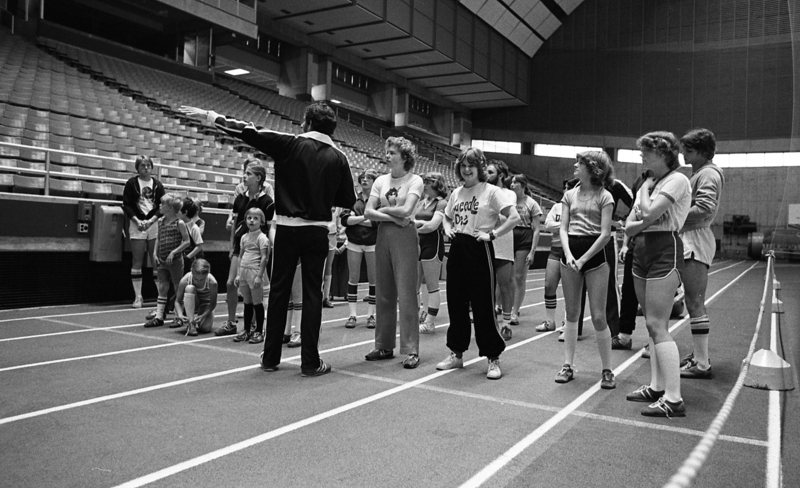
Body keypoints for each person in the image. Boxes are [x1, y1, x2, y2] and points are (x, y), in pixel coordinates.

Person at [180, 102, 356, 378]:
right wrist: (321, 195)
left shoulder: (291, 144)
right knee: (312, 295)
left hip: (285, 229)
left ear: (308, 123)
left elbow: (249, 132)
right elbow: (348, 200)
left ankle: (270, 357)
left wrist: (212, 116)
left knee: (278, 292)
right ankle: (310, 362)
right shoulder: (339, 157)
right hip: (317, 232)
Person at [435, 147, 520, 380]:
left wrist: (492, 235)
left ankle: (493, 357)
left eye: (471, 165)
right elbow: (447, 217)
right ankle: (457, 353)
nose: (466, 169)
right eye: (462, 165)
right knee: (456, 303)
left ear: (480, 167)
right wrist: (448, 229)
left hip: (479, 246)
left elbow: (514, 217)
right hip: (458, 249)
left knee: (483, 305)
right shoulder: (456, 193)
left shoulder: (491, 191)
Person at [624, 131, 691, 418]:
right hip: (641, 251)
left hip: (665, 249)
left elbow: (647, 215)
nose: (641, 156)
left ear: (663, 153)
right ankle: (656, 385)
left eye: (646, 152)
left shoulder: (676, 180)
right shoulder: (653, 182)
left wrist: (644, 189)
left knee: (657, 323)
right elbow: (628, 224)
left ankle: (673, 399)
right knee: (650, 324)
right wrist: (637, 221)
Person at [554, 151, 616, 390]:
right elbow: (563, 228)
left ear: (592, 168)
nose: (574, 166)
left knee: (598, 315)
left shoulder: (605, 196)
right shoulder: (569, 195)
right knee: (571, 313)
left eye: (578, 163)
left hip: (596, 256)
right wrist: (569, 255)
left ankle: (607, 370)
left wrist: (583, 259)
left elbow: (605, 234)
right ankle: (568, 365)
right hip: (570, 253)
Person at [363, 137, 424, 369]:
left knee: (407, 294)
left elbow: (408, 210)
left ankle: (411, 350)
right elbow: (369, 212)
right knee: (384, 292)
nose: (387, 155)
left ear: (404, 157)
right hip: (385, 235)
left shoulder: (415, 180)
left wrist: (384, 209)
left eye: (392, 152)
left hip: (406, 237)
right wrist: (393, 216)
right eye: (387, 152)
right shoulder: (380, 180)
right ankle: (383, 345)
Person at [678, 128, 724, 379]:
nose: (683, 153)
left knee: (695, 301)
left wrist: (671, 214)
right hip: (691, 237)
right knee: (690, 300)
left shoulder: (707, 174)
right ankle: (699, 355)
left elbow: (705, 208)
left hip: (695, 239)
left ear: (702, 151)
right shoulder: (700, 173)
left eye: (689, 149)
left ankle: (703, 364)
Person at [216, 164, 275, 338]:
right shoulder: (240, 198)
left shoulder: (267, 202)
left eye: (248, 174)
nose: (244, 176)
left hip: (257, 250)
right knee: (231, 283)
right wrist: (231, 245)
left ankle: (255, 327)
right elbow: (235, 223)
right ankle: (231, 322)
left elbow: (270, 227)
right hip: (240, 246)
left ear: (258, 178)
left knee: (255, 289)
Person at [122, 155, 165, 308]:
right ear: (137, 168)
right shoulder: (131, 184)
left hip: (153, 224)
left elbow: (162, 207)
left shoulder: (158, 185)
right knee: (137, 261)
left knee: (156, 261)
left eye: (148, 165)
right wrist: (137, 221)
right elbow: (126, 205)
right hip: (137, 224)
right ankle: (138, 297)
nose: (146, 168)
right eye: (142, 166)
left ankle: (162, 298)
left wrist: (151, 221)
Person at [614, 171, 650, 349]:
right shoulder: (640, 180)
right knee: (629, 290)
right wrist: (626, 245)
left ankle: (655, 340)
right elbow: (632, 215)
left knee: (652, 295)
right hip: (635, 243)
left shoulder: (670, 181)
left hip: (655, 244)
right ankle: (624, 335)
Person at [144, 193, 190, 328]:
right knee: (162, 287)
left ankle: (178, 316)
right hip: (162, 260)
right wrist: (154, 252)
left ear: (170, 208)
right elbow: (159, 238)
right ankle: (159, 316)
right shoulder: (160, 221)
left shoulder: (179, 223)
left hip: (175, 261)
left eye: (162, 204)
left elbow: (186, 241)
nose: (159, 206)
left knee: (177, 287)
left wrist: (174, 252)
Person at [536, 179, 576, 332]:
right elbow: (547, 225)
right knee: (549, 286)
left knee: (569, 290)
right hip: (555, 250)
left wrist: (560, 227)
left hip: (572, 251)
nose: (565, 191)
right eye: (564, 188)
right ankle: (550, 321)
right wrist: (566, 225)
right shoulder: (557, 207)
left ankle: (568, 323)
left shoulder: (578, 207)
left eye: (569, 188)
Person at [341, 169, 379, 329]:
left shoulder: (378, 200)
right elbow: (345, 221)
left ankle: (371, 315)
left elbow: (376, 222)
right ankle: (352, 315)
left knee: (373, 280)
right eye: (362, 178)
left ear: (374, 181)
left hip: (372, 243)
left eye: (369, 178)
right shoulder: (351, 198)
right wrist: (365, 217)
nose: (365, 180)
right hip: (354, 242)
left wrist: (355, 219)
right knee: (353, 278)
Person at [486, 160, 516, 341]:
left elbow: (505, 215)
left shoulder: (509, 194)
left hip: (503, 241)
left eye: (490, 172)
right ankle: (490, 323)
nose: (486, 174)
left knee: (505, 285)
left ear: (501, 176)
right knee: (485, 287)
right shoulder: (482, 191)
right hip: (484, 242)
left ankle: (505, 323)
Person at [415, 172, 447, 334]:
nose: (424, 185)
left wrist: (416, 223)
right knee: (417, 283)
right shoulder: (421, 202)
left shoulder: (441, 203)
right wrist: (419, 223)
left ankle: (430, 322)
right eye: (423, 182)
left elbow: (432, 226)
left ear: (436, 184)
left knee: (432, 284)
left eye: (428, 182)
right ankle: (419, 314)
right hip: (418, 243)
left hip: (433, 244)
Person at [508, 174, 542, 326]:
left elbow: (536, 229)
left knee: (519, 276)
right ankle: (500, 307)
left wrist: (532, 251)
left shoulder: (532, 204)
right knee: (505, 276)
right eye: (511, 182)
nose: (512, 184)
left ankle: (515, 311)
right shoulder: (508, 200)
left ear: (522, 185)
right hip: (509, 235)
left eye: (515, 182)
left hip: (524, 237)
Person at [233, 208, 271, 344]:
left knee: (257, 303)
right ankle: (246, 330)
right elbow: (240, 255)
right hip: (244, 271)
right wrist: (238, 274)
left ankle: (259, 330)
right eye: (249, 218)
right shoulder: (244, 237)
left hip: (255, 272)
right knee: (247, 303)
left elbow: (264, 258)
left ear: (262, 222)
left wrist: (259, 276)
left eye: (255, 218)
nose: (252, 220)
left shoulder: (262, 238)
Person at [173, 259, 218, 336]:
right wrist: (180, 314)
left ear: (208, 274)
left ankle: (197, 319)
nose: (199, 281)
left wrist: (203, 315)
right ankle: (191, 323)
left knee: (205, 328)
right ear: (191, 271)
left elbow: (213, 304)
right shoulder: (185, 279)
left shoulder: (212, 282)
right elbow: (177, 301)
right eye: (196, 278)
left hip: (205, 305)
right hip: (191, 303)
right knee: (190, 288)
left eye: (202, 279)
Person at [322, 207, 343, 308]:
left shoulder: (337, 200)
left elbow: (338, 217)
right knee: (319, 266)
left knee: (328, 267)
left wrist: (338, 228)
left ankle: (326, 297)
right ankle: (318, 296)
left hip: (332, 234)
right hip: (320, 232)